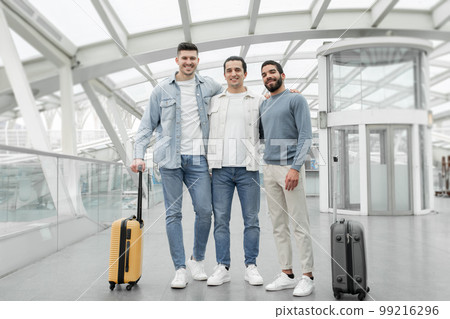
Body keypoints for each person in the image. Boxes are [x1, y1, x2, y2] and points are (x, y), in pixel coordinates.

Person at [131, 42, 223, 289]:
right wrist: (138, 155)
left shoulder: (210, 86)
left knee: (205, 211)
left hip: (199, 160)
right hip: (170, 160)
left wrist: (272, 96)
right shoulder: (161, 90)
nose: (189, 62)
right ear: (177, 60)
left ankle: (197, 259)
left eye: (193, 58)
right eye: (184, 58)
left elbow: (233, 97)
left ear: (198, 61)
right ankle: (180, 269)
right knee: (173, 214)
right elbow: (146, 127)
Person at [206, 56, 265, 286]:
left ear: (245, 73)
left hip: (248, 169)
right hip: (220, 170)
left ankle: (251, 266)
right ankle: (223, 266)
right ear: (224, 74)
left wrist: (291, 93)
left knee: (251, 220)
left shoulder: (258, 100)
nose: (233, 73)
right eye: (229, 70)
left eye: (237, 70)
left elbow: (274, 112)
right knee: (221, 220)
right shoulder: (214, 102)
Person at [259, 60, 315, 297]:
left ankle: (307, 276)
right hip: (269, 169)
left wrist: (295, 167)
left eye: (272, 72)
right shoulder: (263, 104)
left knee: (299, 224)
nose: (268, 76)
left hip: (290, 169)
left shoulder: (296, 99)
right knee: (278, 225)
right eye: (264, 74)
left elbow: (305, 135)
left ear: (282, 75)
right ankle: (287, 274)